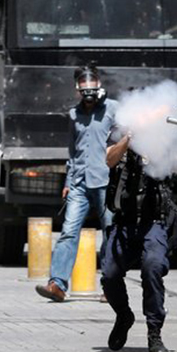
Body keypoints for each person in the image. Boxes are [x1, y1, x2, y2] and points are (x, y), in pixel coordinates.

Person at [36, 66, 117, 302]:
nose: (88, 90)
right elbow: (72, 151)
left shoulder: (113, 109)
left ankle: (112, 287)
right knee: (69, 231)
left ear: (99, 84)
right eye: (83, 85)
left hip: (105, 181)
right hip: (80, 181)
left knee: (110, 232)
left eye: (91, 84)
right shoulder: (73, 114)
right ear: (78, 89)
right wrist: (68, 181)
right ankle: (57, 284)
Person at [101, 134, 177, 352]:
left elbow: (165, 163)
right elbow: (109, 159)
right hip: (124, 222)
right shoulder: (121, 133)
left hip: (153, 222)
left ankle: (154, 332)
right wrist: (129, 138)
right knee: (109, 275)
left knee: (152, 268)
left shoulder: (161, 133)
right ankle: (124, 315)